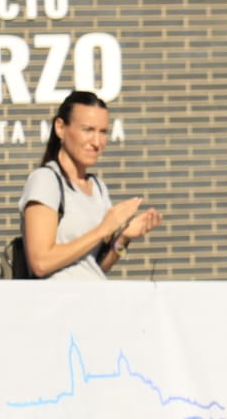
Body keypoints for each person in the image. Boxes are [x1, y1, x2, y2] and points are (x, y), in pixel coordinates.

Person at [18, 90, 163, 279]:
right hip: (58, 297)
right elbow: (41, 263)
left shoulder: (98, 188)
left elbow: (97, 267)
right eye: (88, 130)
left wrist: (125, 238)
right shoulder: (46, 181)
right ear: (60, 128)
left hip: (94, 295)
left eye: (103, 132)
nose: (96, 142)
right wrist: (102, 230)